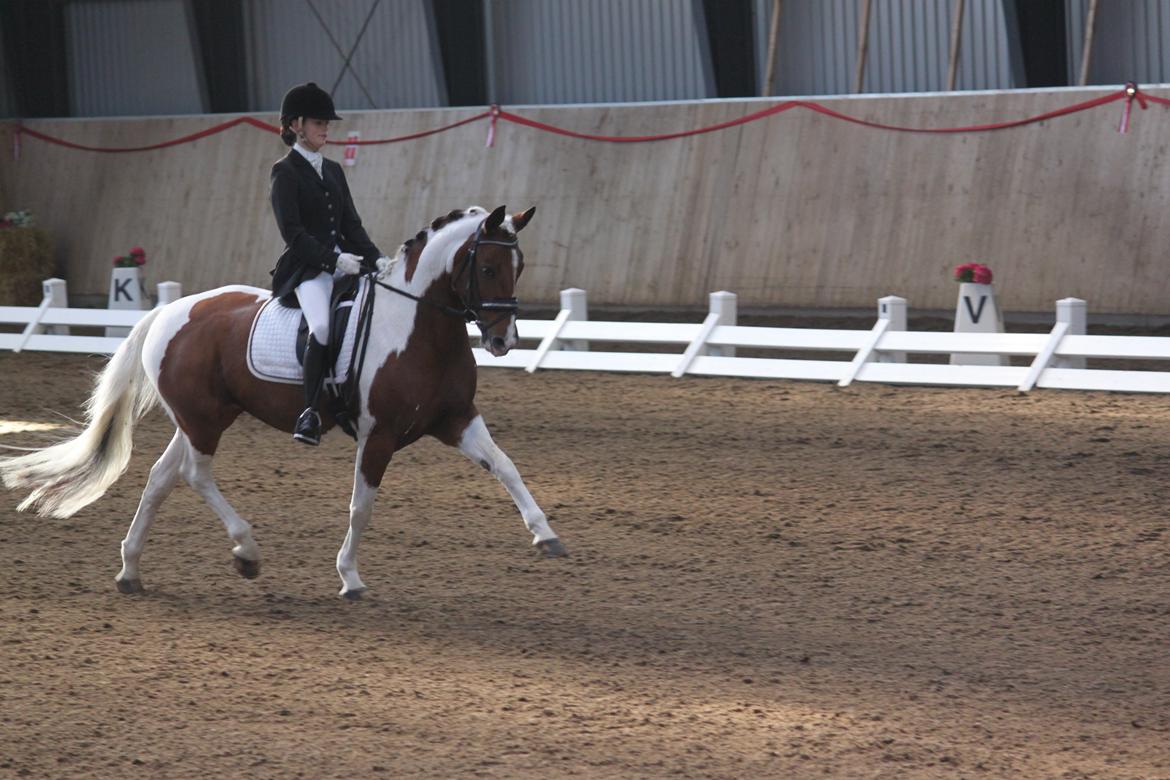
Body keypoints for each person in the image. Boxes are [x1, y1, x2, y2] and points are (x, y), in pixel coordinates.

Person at [269, 82, 384, 446]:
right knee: (320, 328)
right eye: (319, 122)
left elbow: (351, 225)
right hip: (308, 270)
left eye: (326, 122)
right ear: (296, 125)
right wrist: (334, 260)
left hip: (346, 263)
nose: (326, 128)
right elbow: (294, 234)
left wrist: (376, 258)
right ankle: (310, 412)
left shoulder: (333, 170)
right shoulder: (284, 172)